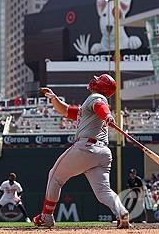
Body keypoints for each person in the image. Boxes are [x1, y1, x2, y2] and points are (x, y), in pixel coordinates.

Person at [33, 74, 130, 229]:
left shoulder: (96, 97)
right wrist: (53, 98)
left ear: (101, 86)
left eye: (98, 81)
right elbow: (65, 111)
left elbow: (100, 105)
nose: (94, 81)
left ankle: (46, 217)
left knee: (55, 176)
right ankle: (121, 212)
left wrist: (108, 115)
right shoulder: (87, 109)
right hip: (103, 153)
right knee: (103, 192)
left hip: (86, 148)